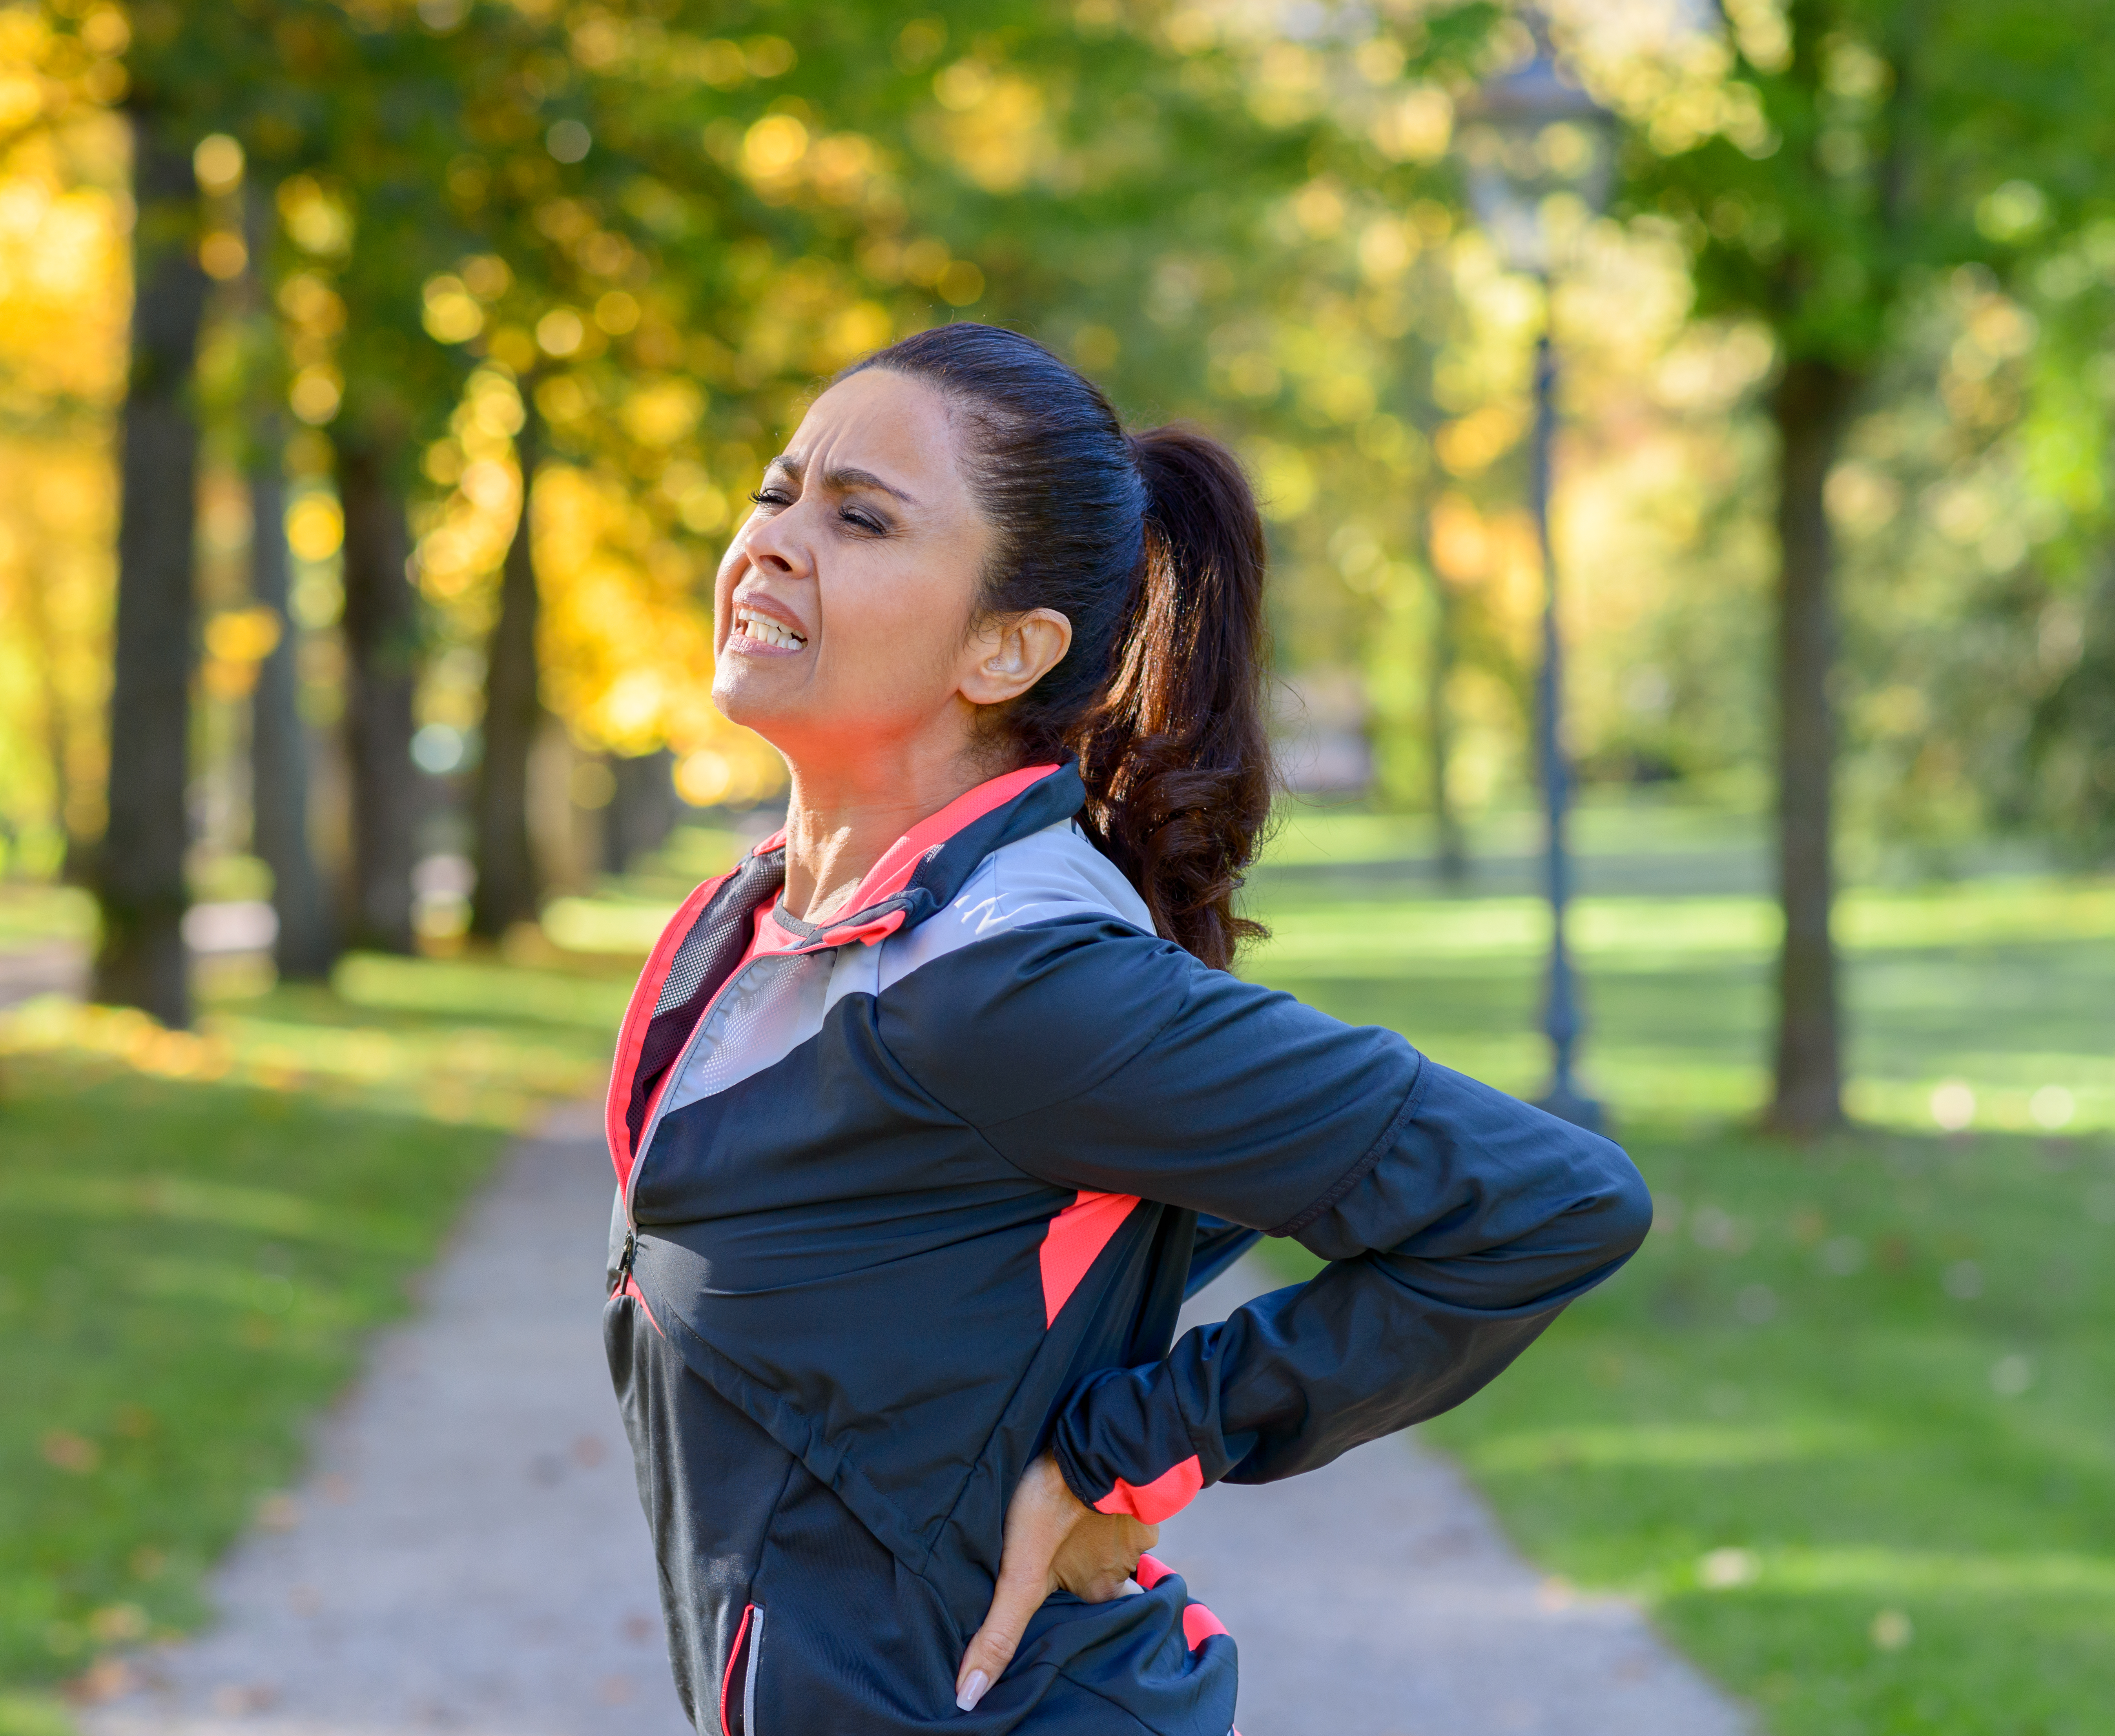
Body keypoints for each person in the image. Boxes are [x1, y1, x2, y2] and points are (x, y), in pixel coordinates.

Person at [603, 323, 1650, 1736]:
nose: (778, 541)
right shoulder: (757, 931)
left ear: (1008, 647)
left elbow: (1545, 1201)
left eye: (860, 517)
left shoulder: (1014, 983)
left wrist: (1133, 1455)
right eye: (777, 491)